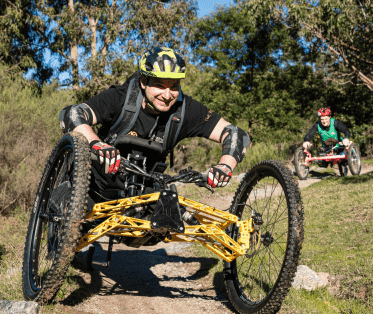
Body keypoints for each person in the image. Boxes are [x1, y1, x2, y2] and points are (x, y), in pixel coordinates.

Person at [58, 46, 250, 202]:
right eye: (159, 85)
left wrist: (225, 166)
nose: (167, 95)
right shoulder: (121, 98)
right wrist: (96, 143)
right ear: (144, 82)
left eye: (174, 86)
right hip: (93, 185)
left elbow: (235, 134)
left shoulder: (185, 109)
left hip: (144, 191)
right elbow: (71, 113)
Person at [302, 107, 352, 172]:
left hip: (339, 145)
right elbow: (309, 134)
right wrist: (306, 141)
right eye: (322, 119)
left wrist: (346, 138)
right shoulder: (317, 125)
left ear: (330, 117)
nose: (324, 121)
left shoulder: (335, 123)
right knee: (322, 164)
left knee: (343, 160)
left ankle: (344, 165)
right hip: (326, 147)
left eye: (326, 119)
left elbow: (346, 131)